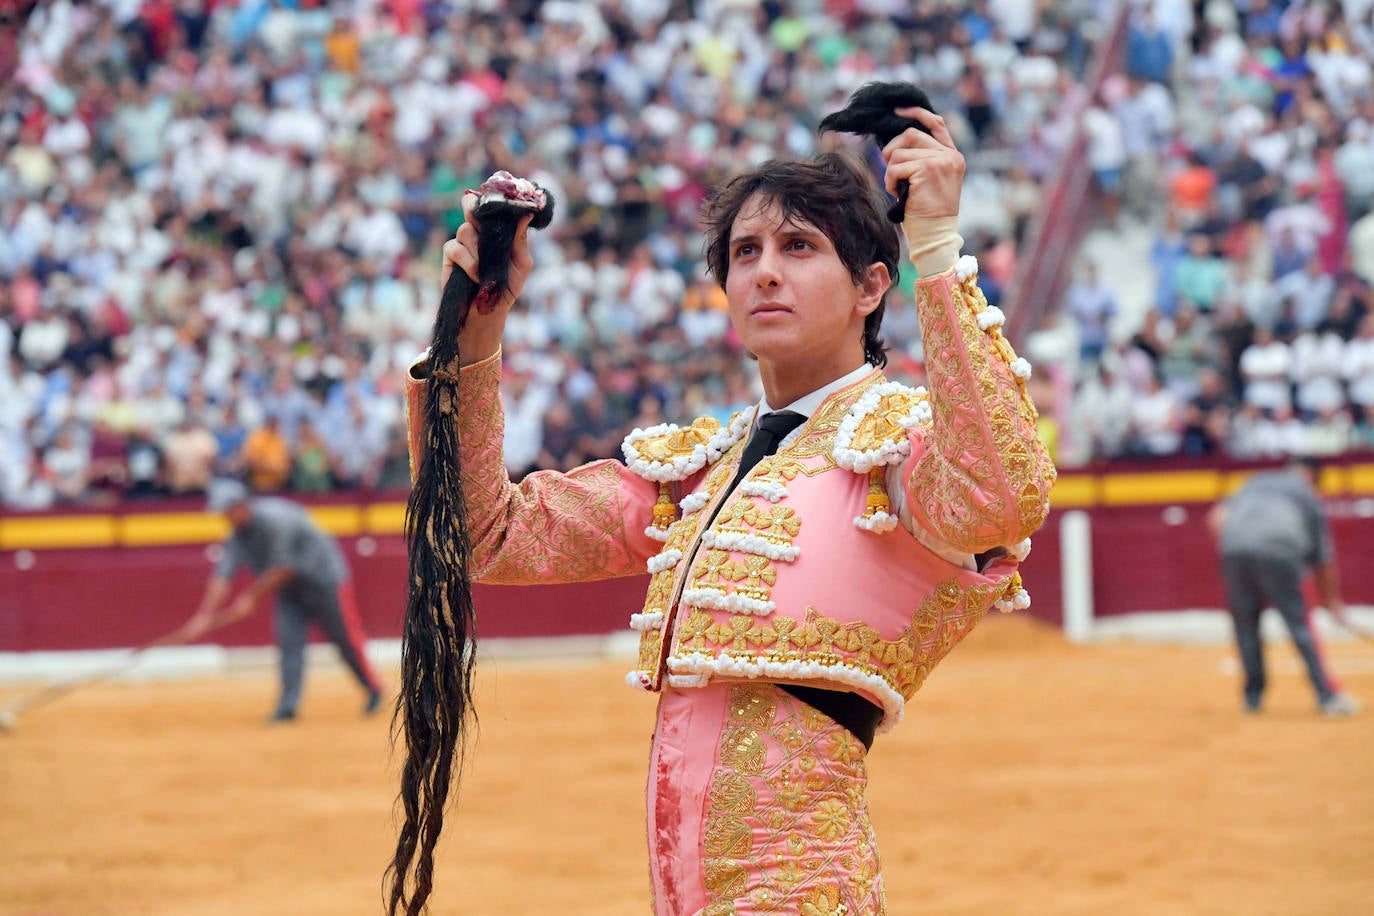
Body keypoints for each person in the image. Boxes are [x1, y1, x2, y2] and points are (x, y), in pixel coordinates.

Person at [400, 107, 1055, 914]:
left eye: (799, 247)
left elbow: (1004, 490)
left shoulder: (903, 451)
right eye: (745, 253)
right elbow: (483, 536)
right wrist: (473, 340)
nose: (765, 273)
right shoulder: (699, 472)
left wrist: (938, 251)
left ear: (871, 287)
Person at [183, 478, 384, 722]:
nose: (226, 518)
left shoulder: (278, 520)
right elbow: (222, 576)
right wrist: (203, 615)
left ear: (241, 505)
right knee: (289, 644)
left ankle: (374, 689)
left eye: (227, 512)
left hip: (324, 581)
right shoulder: (237, 536)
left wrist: (249, 597)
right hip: (289, 591)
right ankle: (287, 706)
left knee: (345, 639)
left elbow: (283, 567)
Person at [1208, 458, 1360, 717]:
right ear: (1312, 476)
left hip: (1233, 548)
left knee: (1245, 624)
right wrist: (1332, 601)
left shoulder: (1256, 481)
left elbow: (1217, 517)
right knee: (1299, 624)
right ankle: (1327, 696)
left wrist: (1236, 548)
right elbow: (1324, 559)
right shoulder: (1307, 494)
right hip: (1280, 551)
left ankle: (1252, 700)